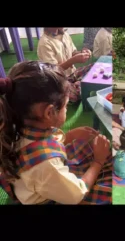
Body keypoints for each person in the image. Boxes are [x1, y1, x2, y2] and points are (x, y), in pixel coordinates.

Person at [0, 61, 112, 205]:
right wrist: (98, 161)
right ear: (49, 112)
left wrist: (70, 136)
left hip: (32, 183)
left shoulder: (14, 126)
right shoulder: (47, 165)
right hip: (45, 199)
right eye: (65, 106)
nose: (66, 110)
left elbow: (36, 148)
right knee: (112, 188)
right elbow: (77, 195)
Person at [37, 27, 92, 103]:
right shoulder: (44, 43)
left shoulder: (65, 35)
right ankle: (77, 85)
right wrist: (73, 60)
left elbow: (73, 52)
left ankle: (77, 84)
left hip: (73, 73)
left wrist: (82, 52)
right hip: (59, 80)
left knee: (93, 68)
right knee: (76, 95)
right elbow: (53, 71)